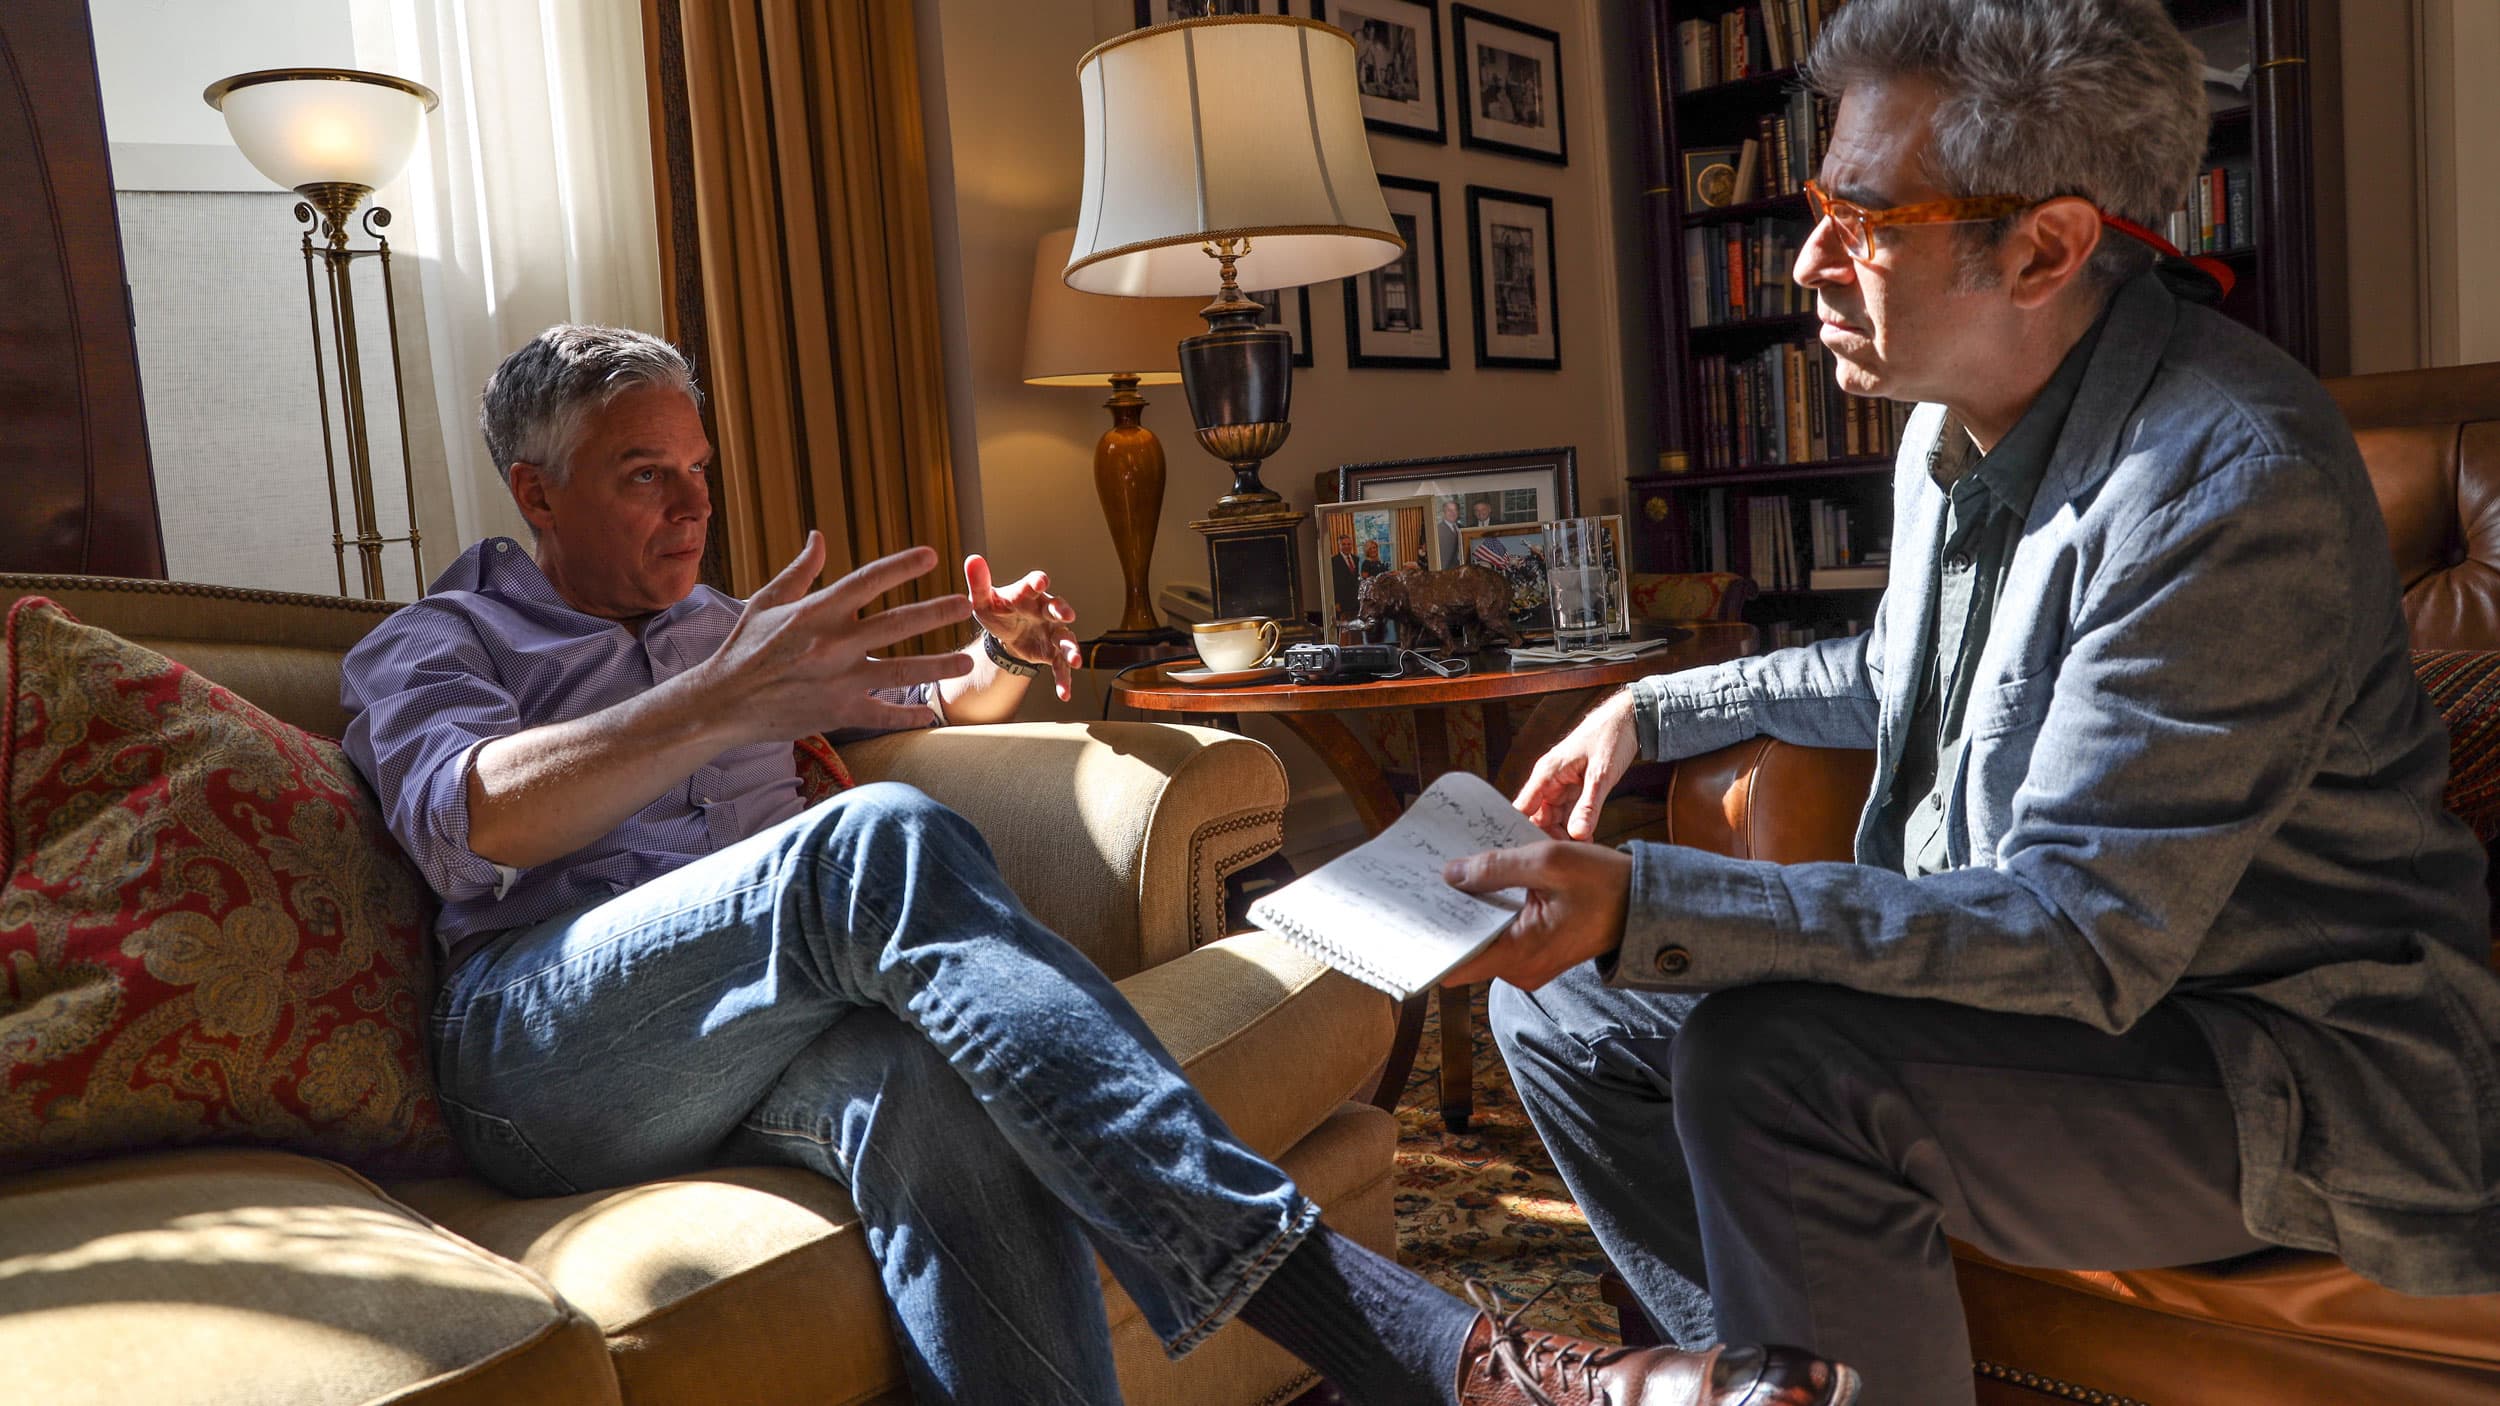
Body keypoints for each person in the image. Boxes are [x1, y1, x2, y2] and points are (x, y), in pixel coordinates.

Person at [340, 324, 1854, 1406]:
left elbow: (928, 711)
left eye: (697, 471)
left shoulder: (723, 627)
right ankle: (1433, 1352)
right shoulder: (445, 639)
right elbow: (473, 813)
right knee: (871, 838)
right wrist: (720, 699)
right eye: (639, 479)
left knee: (928, 1093)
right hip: (543, 1047)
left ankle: (1456, 1368)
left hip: (766, 1037)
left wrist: (999, 659)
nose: (690, 510)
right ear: (535, 496)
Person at [1441, 4, 2500, 1405]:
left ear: (2046, 247)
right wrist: (1652, 711)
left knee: (1773, 1060)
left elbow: (2079, 930)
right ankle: (1760, 1378)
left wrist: (1649, 899)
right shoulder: (1952, 423)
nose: (1806, 254)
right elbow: (1895, 668)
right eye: (1819, 201)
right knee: (1564, 1004)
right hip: (2042, 1014)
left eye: (1860, 215)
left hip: (2277, 1074)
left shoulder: (2227, 483)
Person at [1435, 499, 1464, 569]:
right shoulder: (1437, 530)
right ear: (1443, 513)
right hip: (1446, 572)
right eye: (1449, 510)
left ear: (1458, 512)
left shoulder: (1463, 528)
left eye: (1455, 510)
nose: (1452, 513)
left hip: (1463, 570)